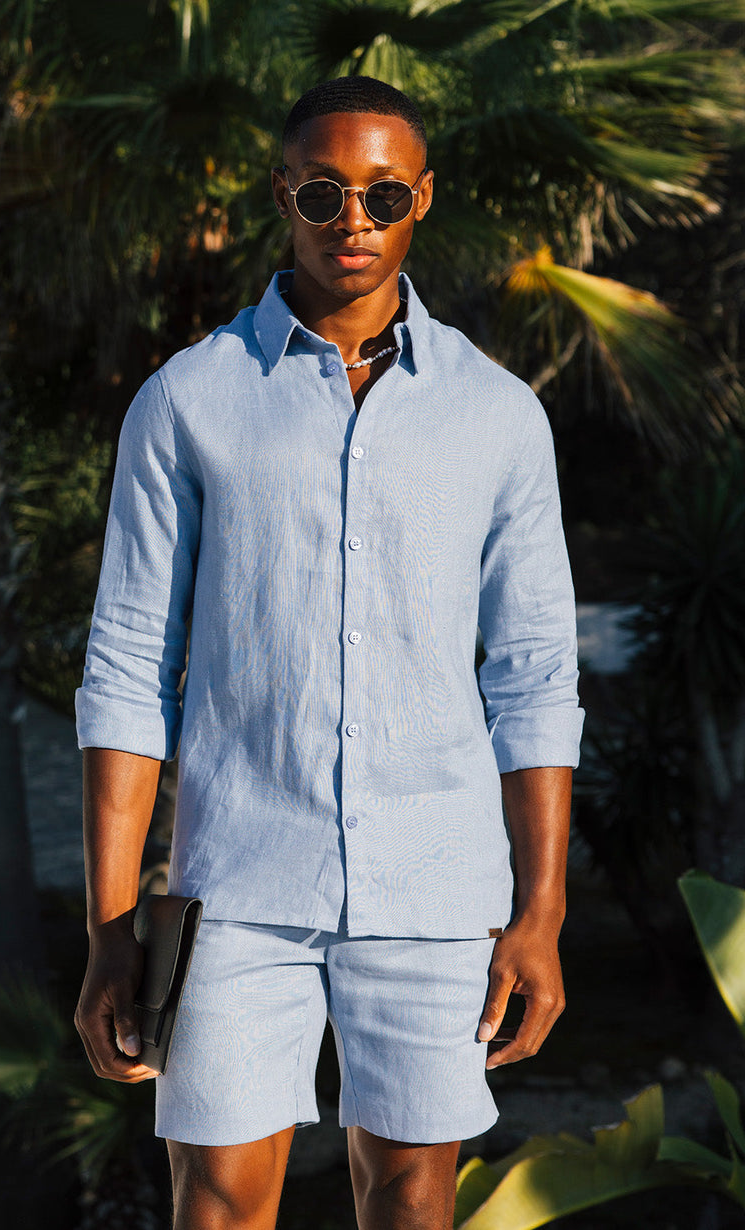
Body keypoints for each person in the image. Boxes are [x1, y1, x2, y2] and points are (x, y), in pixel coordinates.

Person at [74, 76, 583, 1230]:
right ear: (283, 197)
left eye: (381, 193)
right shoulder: (188, 399)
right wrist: (108, 929)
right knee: (216, 1202)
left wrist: (540, 912)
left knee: (411, 1198)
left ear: (421, 199)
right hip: (234, 882)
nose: (352, 218)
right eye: (322, 192)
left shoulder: (496, 415)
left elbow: (533, 679)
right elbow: (128, 674)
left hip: (435, 886)